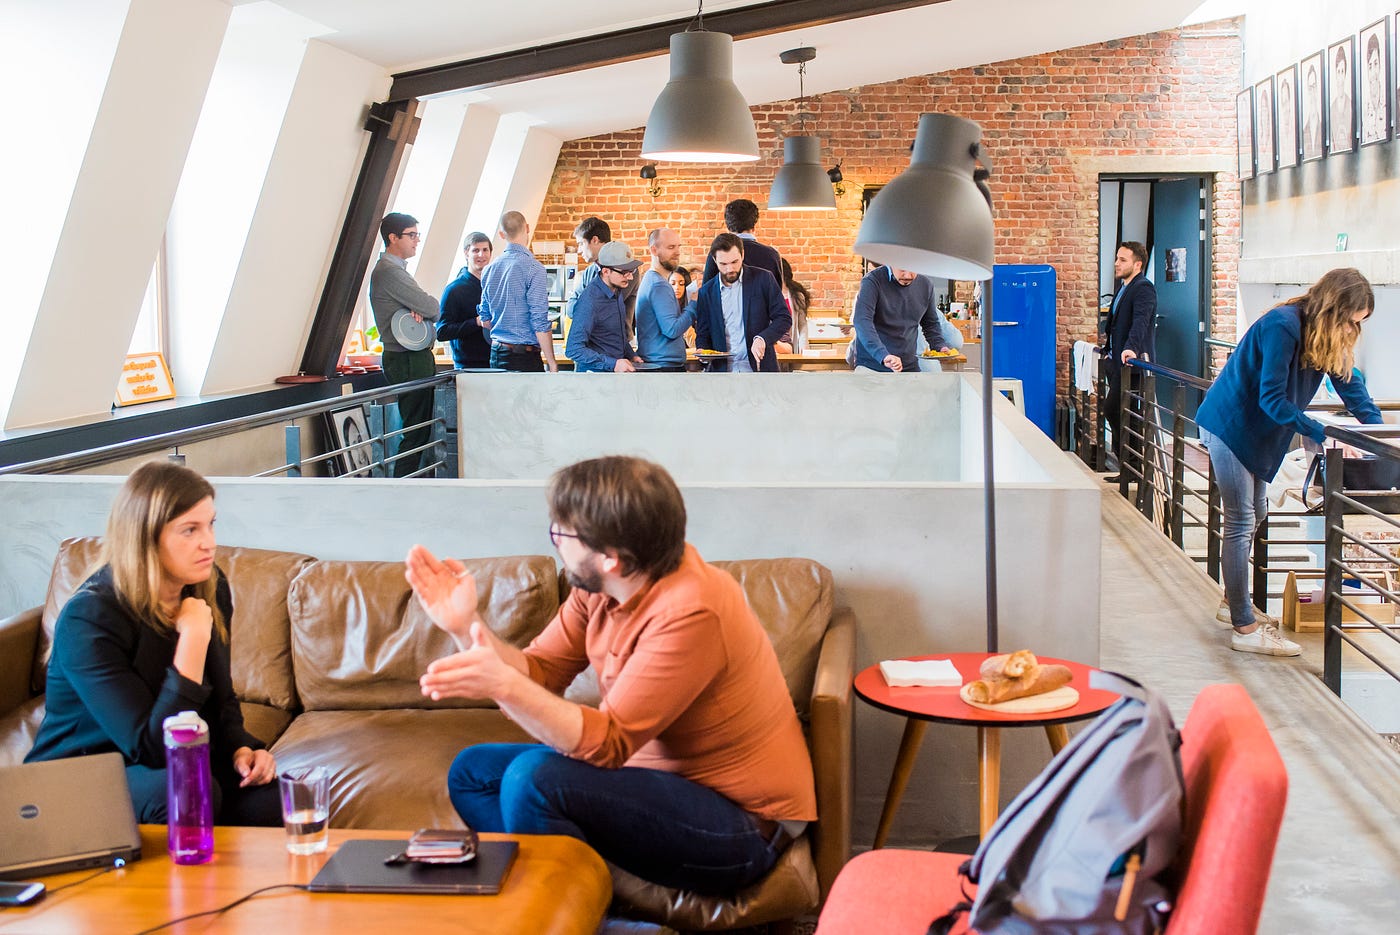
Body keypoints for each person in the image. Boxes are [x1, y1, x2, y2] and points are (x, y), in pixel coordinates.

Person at [407, 456, 815, 895]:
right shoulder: (601, 589)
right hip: (655, 786)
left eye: (561, 534)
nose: (556, 544)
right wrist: (464, 625)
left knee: (533, 778)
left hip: (742, 826)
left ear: (611, 559)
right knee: (472, 772)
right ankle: (572, 896)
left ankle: (560, 909)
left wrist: (504, 686)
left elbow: (608, 744)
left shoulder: (692, 610)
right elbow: (540, 672)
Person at [25, 462, 280, 826]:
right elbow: (152, 749)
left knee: (275, 799)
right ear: (145, 538)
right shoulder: (90, 617)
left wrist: (243, 748)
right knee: (185, 788)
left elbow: (221, 701)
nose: (208, 542)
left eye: (210, 524)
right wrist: (191, 642)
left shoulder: (208, 586)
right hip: (79, 775)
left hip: (161, 765)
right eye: (189, 530)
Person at [1196, 268, 1383, 656]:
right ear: (1335, 309)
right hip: (1230, 426)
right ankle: (1243, 628)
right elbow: (1272, 399)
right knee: (1242, 519)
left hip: (1258, 435)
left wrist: (1380, 436)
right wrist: (1320, 432)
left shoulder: (1322, 335)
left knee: (1257, 512)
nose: (1353, 330)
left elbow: (1350, 385)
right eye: (1352, 320)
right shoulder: (1283, 326)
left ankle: (1234, 601)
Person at [369, 212, 441, 478]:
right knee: (416, 431)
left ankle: (408, 484)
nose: (417, 241)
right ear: (393, 238)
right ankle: (402, 486)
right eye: (412, 235)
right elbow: (432, 307)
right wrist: (419, 307)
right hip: (407, 359)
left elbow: (425, 308)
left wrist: (417, 308)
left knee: (420, 429)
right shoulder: (390, 272)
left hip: (410, 356)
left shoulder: (394, 271)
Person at [694, 233, 791, 373]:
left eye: (734, 262)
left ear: (742, 255)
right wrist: (702, 351)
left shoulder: (764, 279)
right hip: (723, 373)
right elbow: (703, 333)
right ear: (714, 260)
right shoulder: (706, 292)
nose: (730, 269)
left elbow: (783, 317)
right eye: (723, 264)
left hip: (759, 369)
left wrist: (762, 338)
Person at [1102, 242, 1157, 481]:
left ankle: (1132, 466)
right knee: (1121, 413)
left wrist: (1131, 348)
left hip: (1131, 366)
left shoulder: (1143, 288)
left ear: (1138, 264)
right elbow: (1116, 324)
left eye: (1122, 260)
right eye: (1117, 258)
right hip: (1115, 363)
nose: (1116, 263)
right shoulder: (1124, 287)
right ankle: (1127, 467)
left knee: (1116, 411)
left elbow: (1141, 321)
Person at [478, 210, 557, 373]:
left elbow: (485, 319)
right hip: (524, 357)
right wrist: (552, 362)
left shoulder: (489, 269)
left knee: (500, 399)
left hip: (496, 354)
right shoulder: (534, 269)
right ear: (527, 228)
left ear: (501, 234)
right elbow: (539, 321)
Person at [850, 265, 952, 372]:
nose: (908, 275)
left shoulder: (926, 284)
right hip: (872, 366)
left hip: (909, 366)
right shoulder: (872, 281)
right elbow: (862, 322)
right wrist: (883, 355)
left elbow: (930, 323)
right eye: (902, 268)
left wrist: (939, 346)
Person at [564, 241, 643, 373]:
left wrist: (631, 355)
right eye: (625, 272)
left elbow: (616, 336)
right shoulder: (590, 301)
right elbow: (573, 349)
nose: (630, 277)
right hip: (595, 379)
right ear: (606, 271)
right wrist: (613, 364)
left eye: (632, 271)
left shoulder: (616, 291)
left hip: (614, 377)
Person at [635, 228, 696, 372]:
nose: (677, 252)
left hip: (658, 365)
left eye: (678, 247)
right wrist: (693, 305)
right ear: (654, 250)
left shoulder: (652, 280)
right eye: (671, 247)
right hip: (663, 368)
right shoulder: (659, 285)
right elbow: (671, 329)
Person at [566, 216, 638, 336]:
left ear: (595, 240)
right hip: (591, 345)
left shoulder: (628, 269)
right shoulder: (589, 272)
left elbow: (605, 308)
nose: (579, 250)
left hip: (617, 346)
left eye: (581, 244)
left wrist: (585, 305)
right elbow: (570, 309)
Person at [437, 232, 493, 369]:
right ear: (466, 253)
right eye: (476, 250)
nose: (481, 255)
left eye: (485, 250)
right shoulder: (453, 290)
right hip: (468, 367)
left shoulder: (495, 286)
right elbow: (442, 331)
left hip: (496, 362)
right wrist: (476, 322)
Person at [701, 198, 784, 289]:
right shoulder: (772, 255)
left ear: (728, 227)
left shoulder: (719, 253)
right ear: (754, 226)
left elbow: (707, 293)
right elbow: (777, 293)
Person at [774, 257, 811, 354]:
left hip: (789, 345)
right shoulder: (768, 294)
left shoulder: (797, 296)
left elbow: (802, 326)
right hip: (773, 344)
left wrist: (804, 351)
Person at [1363, 31, 1385, 143]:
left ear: (1380, 64)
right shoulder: (1364, 108)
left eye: (1376, 64)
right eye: (1370, 65)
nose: (1373, 72)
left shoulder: (1390, 102)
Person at [1331, 44, 1353, 152]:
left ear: (1345, 74)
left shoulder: (1351, 105)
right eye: (1338, 71)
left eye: (1342, 71)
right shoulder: (1332, 109)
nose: (1340, 77)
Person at [1302, 63, 1323, 159]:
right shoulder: (1303, 132)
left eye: (1314, 86)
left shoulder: (1324, 127)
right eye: (1310, 88)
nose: (1312, 92)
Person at [1277, 72, 1296, 165]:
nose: (1285, 107)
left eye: (1287, 101)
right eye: (1283, 102)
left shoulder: (1297, 131)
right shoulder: (1278, 134)